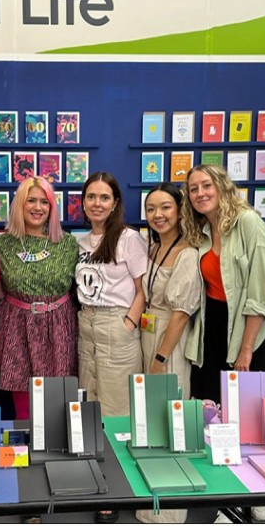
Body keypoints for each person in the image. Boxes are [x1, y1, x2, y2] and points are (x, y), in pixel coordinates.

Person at [182, 164, 265, 524]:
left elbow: (263, 292)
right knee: (217, 414)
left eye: (206, 185)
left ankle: (260, 496)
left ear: (222, 187)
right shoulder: (203, 231)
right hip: (214, 329)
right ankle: (226, 500)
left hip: (249, 332)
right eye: (192, 188)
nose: (199, 193)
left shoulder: (248, 223)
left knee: (250, 418)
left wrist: (246, 348)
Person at [135, 183, 197, 524]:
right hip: (148, 333)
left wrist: (161, 358)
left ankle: (170, 510)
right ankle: (149, 498)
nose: (158, 215)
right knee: (151, 418)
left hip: (169, 341)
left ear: (179, 210)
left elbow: (182, 313)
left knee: (170, 418)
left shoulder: (188, 253)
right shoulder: (153, 247)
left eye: (165, 208)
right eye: (151, 209)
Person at [0, 177, 79, 420]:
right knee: (23, 401)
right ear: (20, 204)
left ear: (52, 208)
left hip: (58, 325)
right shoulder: (4, 244)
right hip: (16, 327)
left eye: (44, 202)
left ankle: (56, 452)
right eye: (31, 200)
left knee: (57, 399)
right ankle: (28, 452)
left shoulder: (67, 243)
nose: (38, 207)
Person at [75, 172, 148, 416]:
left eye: (105, 198)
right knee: (90, 402)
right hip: (86, 327)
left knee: (118, 407)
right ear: (83, 202)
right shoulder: (81, 242)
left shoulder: (129, 238)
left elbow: (142, 291)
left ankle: (116, 455)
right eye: (91, 197)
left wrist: (127, 324)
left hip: (116, 325)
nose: (97, 203)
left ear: (115, 203)